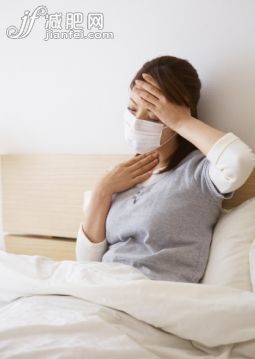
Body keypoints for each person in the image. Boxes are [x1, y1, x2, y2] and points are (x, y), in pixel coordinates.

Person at [76, 55, 255, 283]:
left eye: (153, 113)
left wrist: (182, 122)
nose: (138, 121)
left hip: (151, 297)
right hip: (103, 288)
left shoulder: (198, 173)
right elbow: (85, 264)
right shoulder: (120, 176)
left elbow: (239, 161)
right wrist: (102, 190)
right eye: (132, 110)